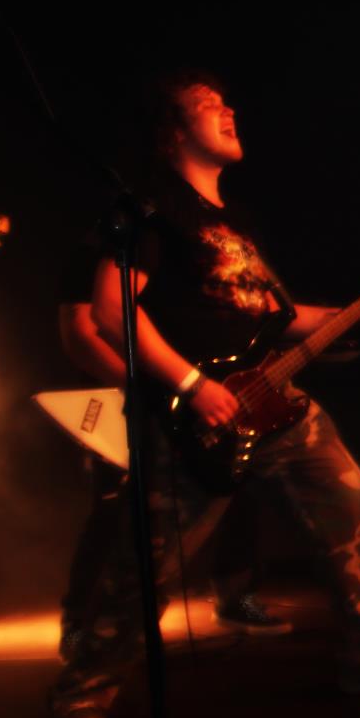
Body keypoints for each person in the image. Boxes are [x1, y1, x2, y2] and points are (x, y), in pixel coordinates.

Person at [49, 69, 360, 718]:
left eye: (226, 101)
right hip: (193, 416)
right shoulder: (154, 209)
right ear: (173, 133)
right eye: (207, 105)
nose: (228, 110)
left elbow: (274, 316)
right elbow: (111, 311)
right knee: (146, 568)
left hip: (274, 400)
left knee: (352, 508)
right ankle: (82, 692)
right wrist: (190, 385)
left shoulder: (234, 222)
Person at [55, 241, 289, 664]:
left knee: (235, 479)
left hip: (187, 393)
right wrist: (155, 386)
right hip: (131, 396)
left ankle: (235, 596)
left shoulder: (184, 244)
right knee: (117, 508)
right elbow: (81, 331)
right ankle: (80, 625)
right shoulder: (112, 238)